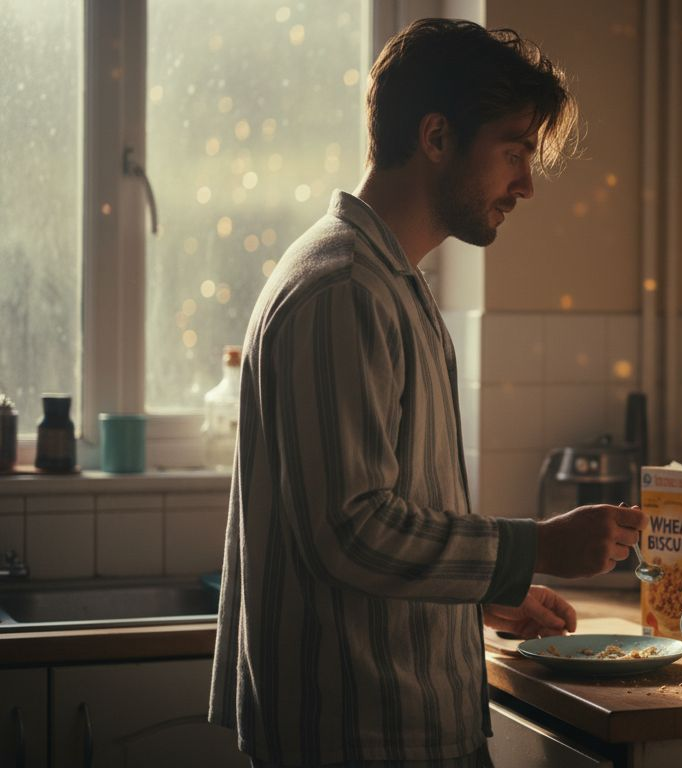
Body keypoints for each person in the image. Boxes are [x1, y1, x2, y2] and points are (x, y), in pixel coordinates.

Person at [208, 19, 647, 768]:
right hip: (358, 733)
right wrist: (535, 546)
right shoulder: (345, 289)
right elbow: (351, 529)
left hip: (387, 723)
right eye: (513, 150)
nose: (526, 183)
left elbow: (387, 515)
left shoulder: (389, 282)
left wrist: (480, 592)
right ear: (437, 136)